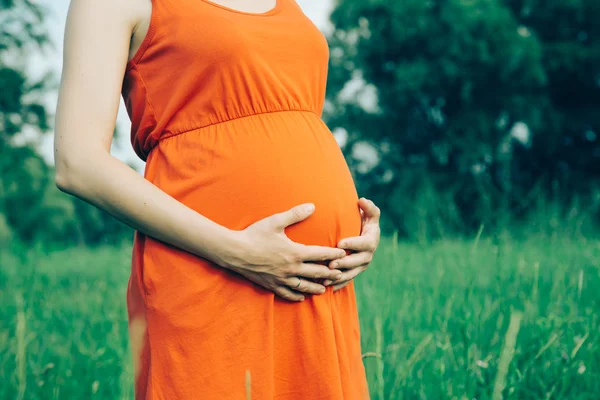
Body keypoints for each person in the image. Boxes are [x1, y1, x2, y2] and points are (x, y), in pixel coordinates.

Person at [54, 0, 381, 398]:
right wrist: (236, 251)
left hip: (315, 282)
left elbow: (294, 120)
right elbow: (78, 162)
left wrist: (353, 226)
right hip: (210, 264)